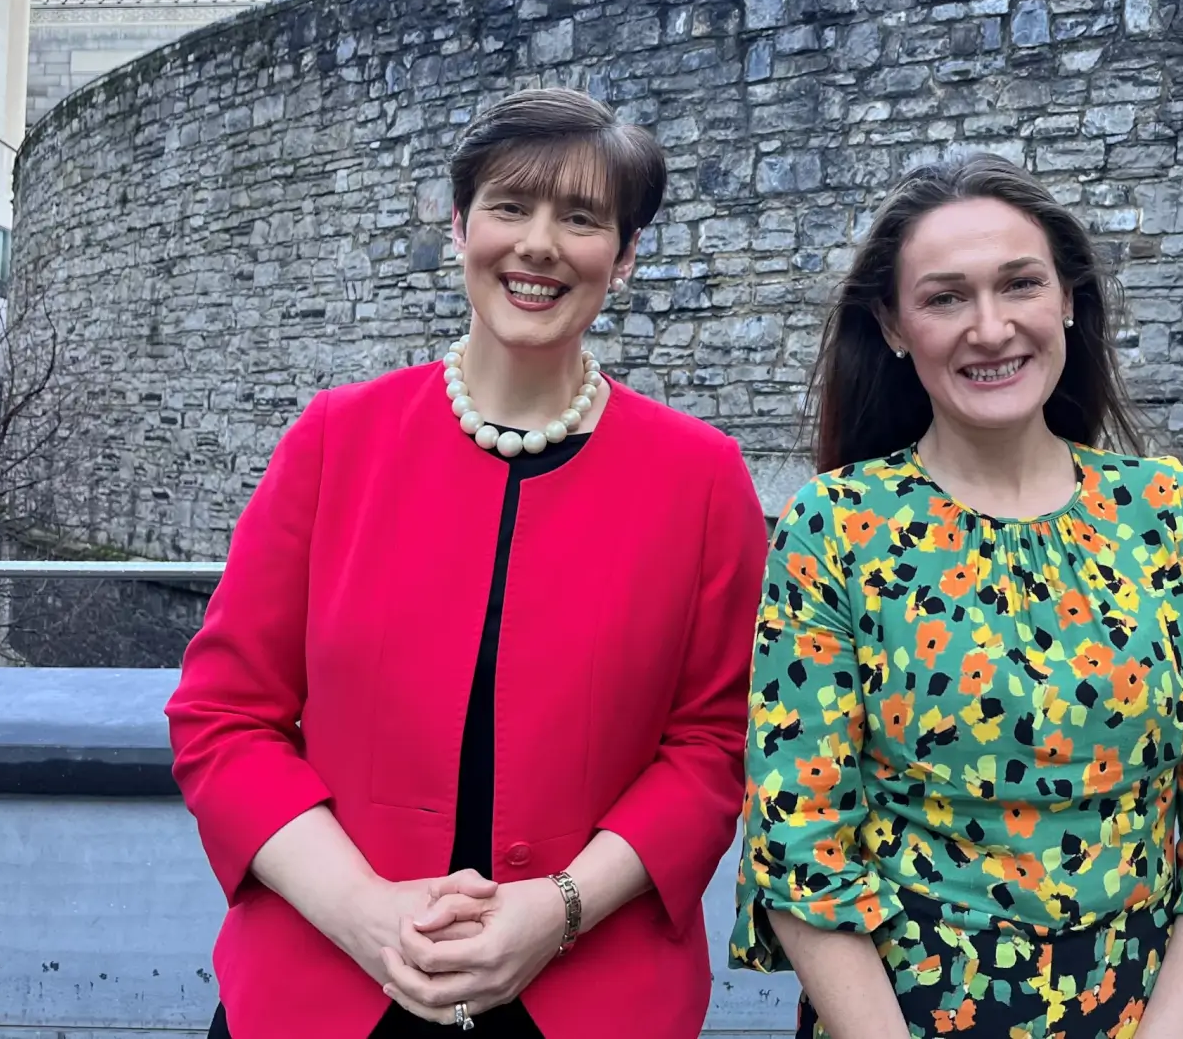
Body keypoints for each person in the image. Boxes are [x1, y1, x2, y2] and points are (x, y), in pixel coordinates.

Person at [167, 88, 767, 1038]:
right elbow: (224, 718)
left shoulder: (701, 480)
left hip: (590, 991)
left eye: (581, 218)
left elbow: (711, 746)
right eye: (509, 206)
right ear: (459, 227)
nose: (539, 244)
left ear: (626, 255)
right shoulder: (335, 443)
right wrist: (366, 914)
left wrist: (558, 910)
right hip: (324, 985)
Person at [731, 154, 1183, 1039]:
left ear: (1070, 301)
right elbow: (799, 839)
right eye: (945, 298)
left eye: (1021, 284)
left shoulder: (1172, 516)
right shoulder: (836, 529)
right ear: (893, 326)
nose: (991, 326)